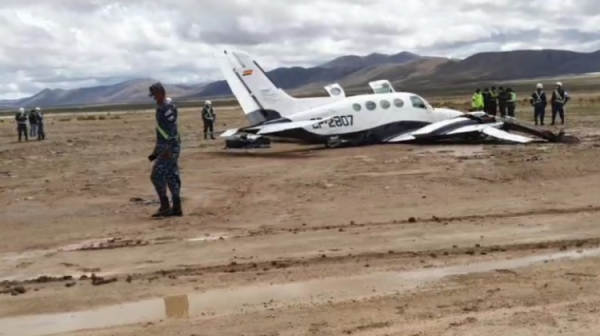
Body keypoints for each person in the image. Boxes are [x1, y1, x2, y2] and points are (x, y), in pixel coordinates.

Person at [147, 82, 182, 217]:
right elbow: (162, 132)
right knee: (171, 176)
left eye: (155, 95)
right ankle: (176, 208)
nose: (154, 98)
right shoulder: (162, 107)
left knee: (156, 176)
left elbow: (172, 130)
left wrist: (167, 149)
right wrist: (155, 153)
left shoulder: (166, 108)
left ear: (161, 93)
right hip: (166, 149)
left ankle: (165, 207)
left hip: (169, 149)